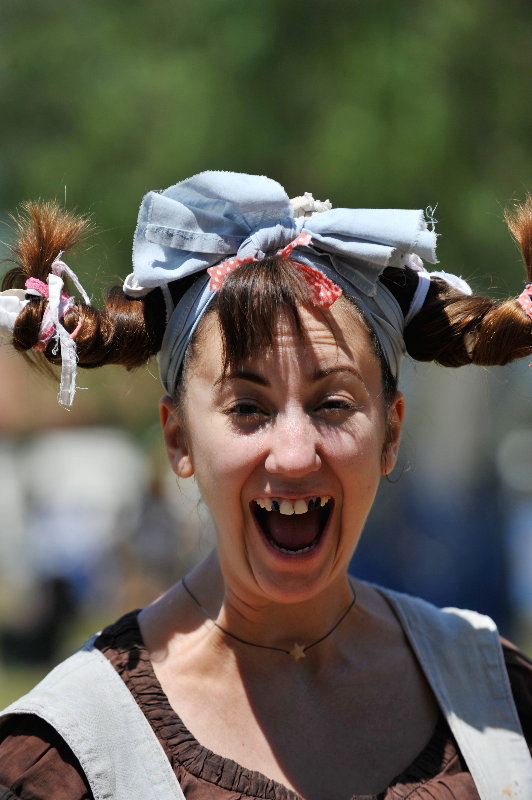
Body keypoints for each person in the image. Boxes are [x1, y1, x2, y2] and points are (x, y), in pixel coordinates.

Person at [0, 171, 531, 800]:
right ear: (179, 440)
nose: (294, 454)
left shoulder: (498, 699)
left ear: (390, 434)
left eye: (333, 403)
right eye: (248, 409)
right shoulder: (70, 754)